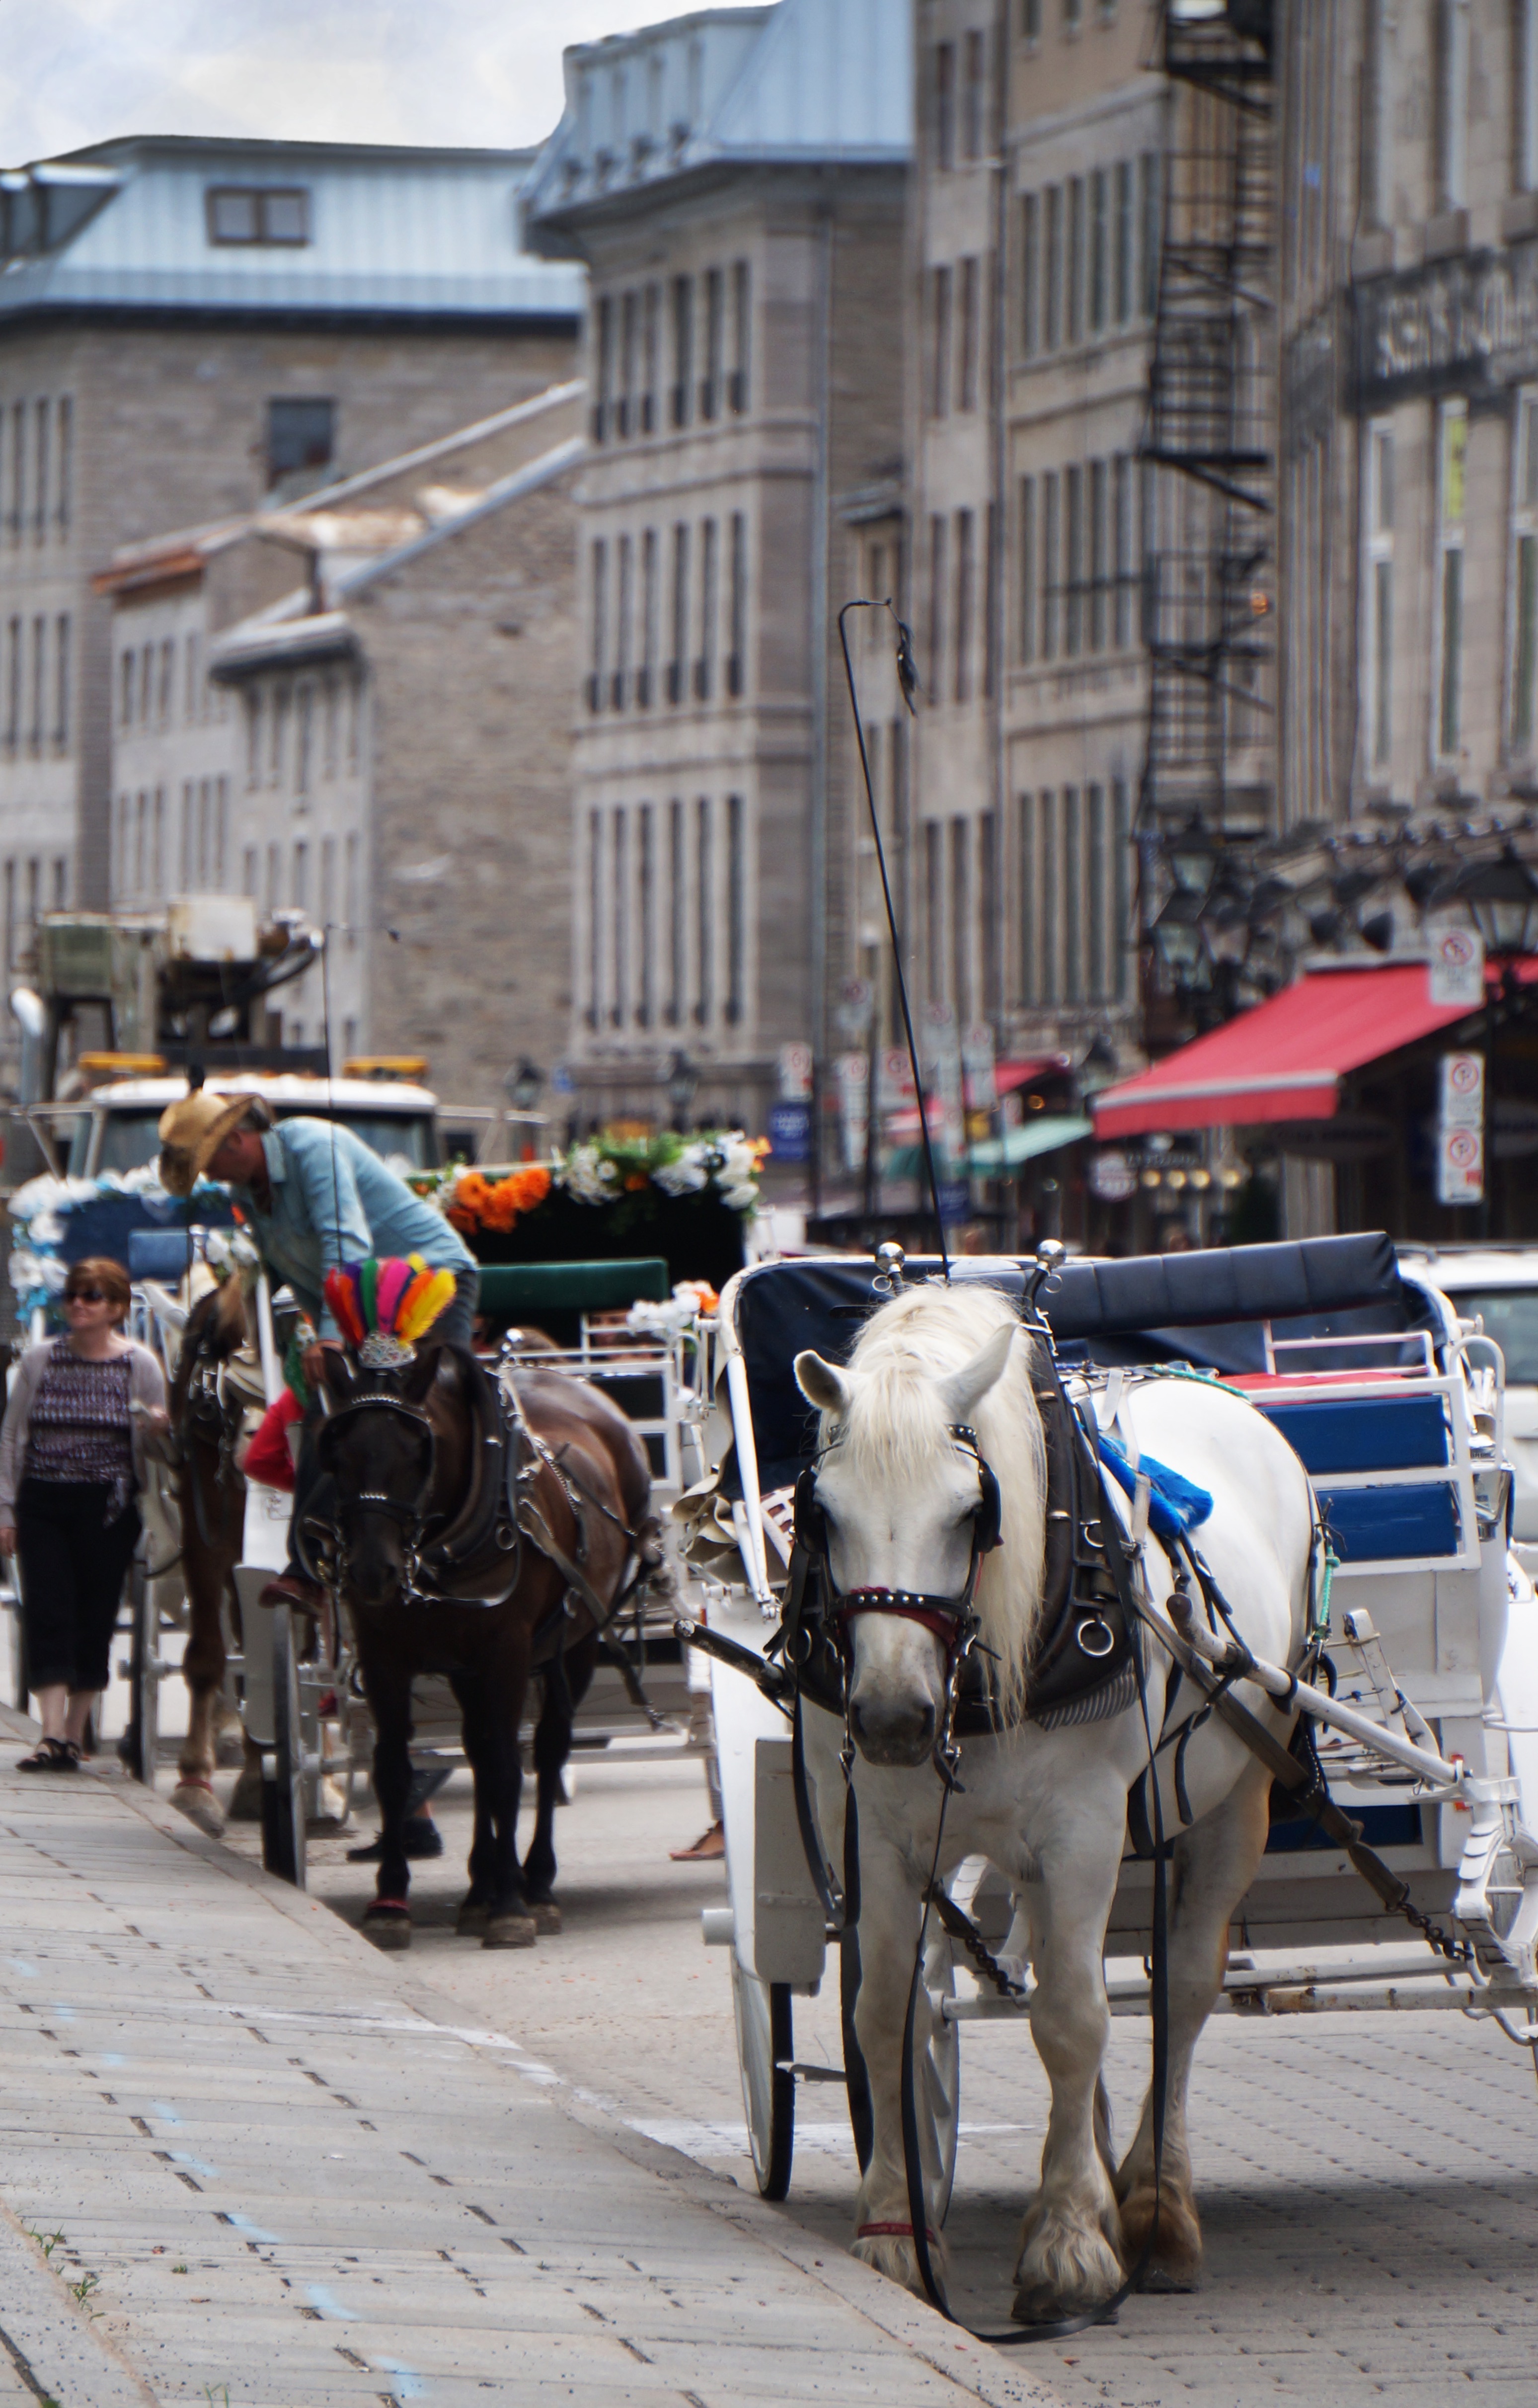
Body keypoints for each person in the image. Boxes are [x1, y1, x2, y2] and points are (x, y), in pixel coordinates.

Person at [157, 1090, 478, 1613]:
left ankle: (463, 1535)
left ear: (237, 1141)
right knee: (326, 1411)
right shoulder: (253, 1194)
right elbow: (297, 1278)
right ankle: (310, 1565)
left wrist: (329, 1336)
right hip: (362, 1307)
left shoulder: (312, 1146)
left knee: (412, 1411)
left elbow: (345, 1244)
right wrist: (326, 1337)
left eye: (210, 1164)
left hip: (427, 1283)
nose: (212, 1178)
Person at [0, 1257, 171, 1771]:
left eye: (93, 1295)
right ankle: (50, 1732)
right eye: (74, 1293)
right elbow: (12, 1435)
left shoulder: (140, 1364)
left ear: (117, 1308)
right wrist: (6, 1507)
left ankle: (75, 1731)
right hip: (44, 1499)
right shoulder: (39, 1360)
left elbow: (160, 1450)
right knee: (48, 1609)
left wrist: (158, 1429)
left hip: (108, 1504)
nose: (79, 1303)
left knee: (95, 1615)